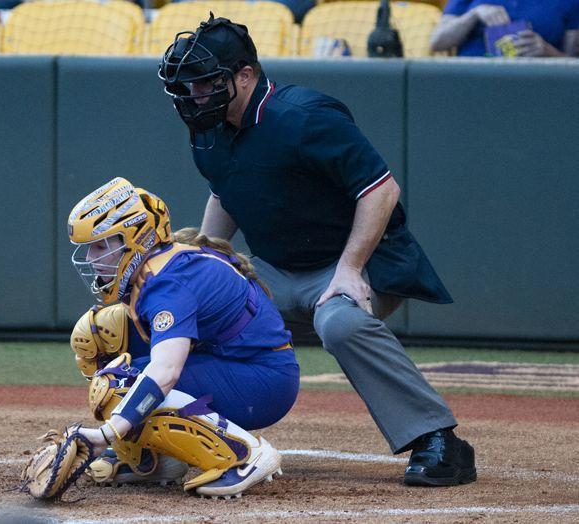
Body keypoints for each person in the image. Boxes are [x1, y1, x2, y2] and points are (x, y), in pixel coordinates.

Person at [158, 14, 476, 487]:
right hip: (277, 270)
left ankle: (439, 440)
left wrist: (350, 269)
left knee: (341, 323)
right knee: (193, 306)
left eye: (206, 83)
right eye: (190, 85)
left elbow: (381, 190)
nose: (195, 95)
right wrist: (208, 261)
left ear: (245, 75)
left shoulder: (303, 116)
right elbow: (226, 191)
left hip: (358, 262)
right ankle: (196, 436)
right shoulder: (207, 129)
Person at [67, 177, 300, 498]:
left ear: (135, 238)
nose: (92, 258)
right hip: (236, 363)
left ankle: (244, 454)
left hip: (263, 381)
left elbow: (166, 372)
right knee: (103, 340)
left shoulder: (167, 284)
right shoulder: (157, 267)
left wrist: (107, 434)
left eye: (101, 245)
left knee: (120, 385)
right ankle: (158, 460)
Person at [430, 1, 579, 56]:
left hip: (537, 86)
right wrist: (473, 15)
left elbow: (573, 66)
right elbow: (437, 42)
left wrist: (549, 53)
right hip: (472, 82)